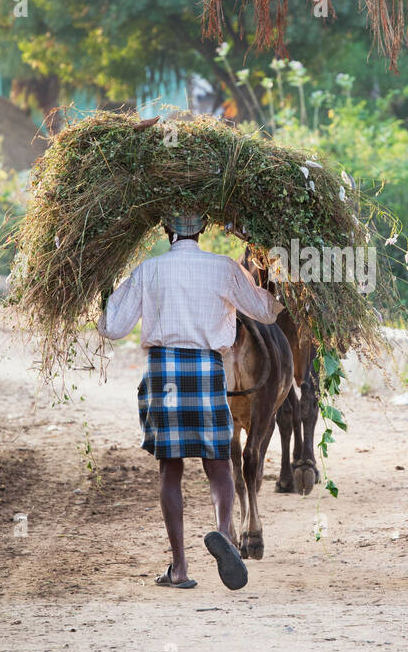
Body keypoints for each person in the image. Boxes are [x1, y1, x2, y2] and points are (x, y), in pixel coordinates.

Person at [98, 211, 283, 592]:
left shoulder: (148, 271)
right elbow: (265, 312)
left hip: (164, 371)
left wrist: (103, 292)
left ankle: (179, 567)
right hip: (206, 369)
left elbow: (112, 328)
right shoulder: (224, 269)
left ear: (166, 230)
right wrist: (278, 276)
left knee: (171, 469)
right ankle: (224, 535)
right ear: (202, 230)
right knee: (218, 462)